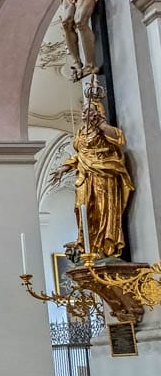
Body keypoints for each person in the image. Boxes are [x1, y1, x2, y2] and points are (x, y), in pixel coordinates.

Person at [49, 87, 133, 260]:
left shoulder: (103, 130)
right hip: (84, 177)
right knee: (83, 209)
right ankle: (88, 245)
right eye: (83, 111)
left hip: (103, 174)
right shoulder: (80, 133)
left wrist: (102, 125)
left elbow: (119, 139)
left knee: (103, 210)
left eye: (88, 110)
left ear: (97, 113)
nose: (83, 114)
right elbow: (80, 155)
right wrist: (63, 168)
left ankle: (104, 246)